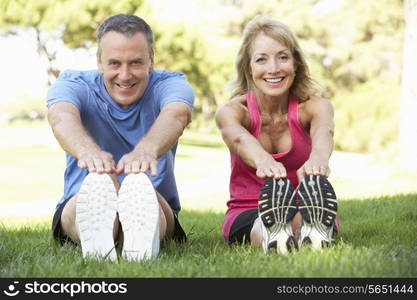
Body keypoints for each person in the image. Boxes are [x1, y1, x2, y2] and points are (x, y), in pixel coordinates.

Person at [47, 13, 194, 261]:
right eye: (114, 63)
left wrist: (146, 150)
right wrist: (87, 151)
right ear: (100, 63)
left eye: (135, 63)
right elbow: (61, 116)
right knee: (98, 184)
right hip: (80, 200)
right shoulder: (73, 84)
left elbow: (177, 115)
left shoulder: (171, 84)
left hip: (154, 203)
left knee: (139, 185)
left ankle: (136, 235)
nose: (125, 75)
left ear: (151, 62)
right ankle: (100, 234)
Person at [216, 15, 338, 254]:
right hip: (247, 209)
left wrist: (318, 160)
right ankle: (277, 230)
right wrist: (263, 160)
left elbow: (325, 131)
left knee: (300, 216)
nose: (273, 69)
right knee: (260, 224)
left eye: (283, 57)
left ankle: (305, 226)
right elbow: (238, 138)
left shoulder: (315, 107)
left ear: (296, 64)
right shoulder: (232, 112)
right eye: (261, 59)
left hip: (305, 204)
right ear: (248, 68)